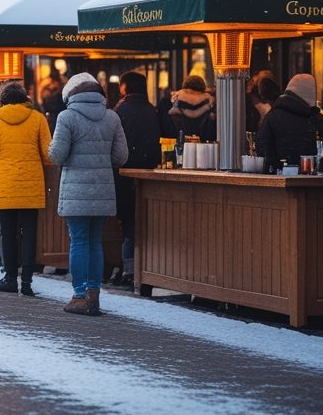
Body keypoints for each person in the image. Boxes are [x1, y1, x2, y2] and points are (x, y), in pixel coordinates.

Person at [50, 72, 128, 316]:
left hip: (75, 191)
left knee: (79, 241)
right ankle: (94, 294)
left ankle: (79, 294)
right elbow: (120, 157)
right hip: (102, 190)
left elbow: (57, 156)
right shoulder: (112, 117)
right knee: (95, 242)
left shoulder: (67, 117)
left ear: (72, 94)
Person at [0, 80, 51, 297]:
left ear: (3, 99)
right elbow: (48, 154)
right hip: (31, 183)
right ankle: (28, 281)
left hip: (5, 184)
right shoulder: (38, 118)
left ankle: (10, 278)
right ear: (25, 98)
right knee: (29, 232)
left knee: (8, 233)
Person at [113, 71, 162, 287]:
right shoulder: (152, 111)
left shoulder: (120, 110)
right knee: (143, 222)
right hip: (150, 173)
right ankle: (143, 268)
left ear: (125, 88)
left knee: (127, 222)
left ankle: (129, 269)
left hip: (123, 172)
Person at [257, 73, 323, 168]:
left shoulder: (272, 117)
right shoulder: (318, 120)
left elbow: (262, 149)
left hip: (279, 177)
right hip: (314, 179)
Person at [167, 75, 217, 142]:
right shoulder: (211, 106)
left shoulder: (174, 108)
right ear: (203, 88)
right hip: (206, 148)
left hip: (181, 149)